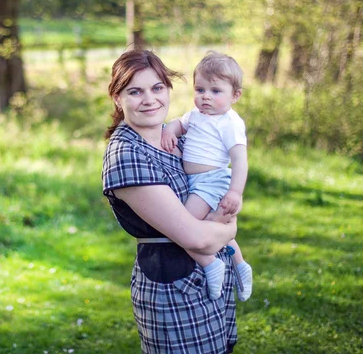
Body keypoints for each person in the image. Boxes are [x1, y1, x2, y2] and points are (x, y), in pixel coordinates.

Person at [102, 49, 239, 353]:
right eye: (135, 91)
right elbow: (195, 235)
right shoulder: (126, 155)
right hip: (173, 291)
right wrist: (228, 232)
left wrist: (219, 225)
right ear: (117, 97)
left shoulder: (178, 137)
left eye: (157, 88)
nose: (149, 99)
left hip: (211, 278)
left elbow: (220, 188)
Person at [160, 51, 253, 303]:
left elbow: (240, 161)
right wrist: (169, 129)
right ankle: (240, 263)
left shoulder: (229, 122)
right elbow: (179, 124)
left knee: (182, 228)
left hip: (212, 182)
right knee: (217, 229)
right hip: (197, 183)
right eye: (200, 89)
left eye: (215, 91)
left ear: (235, 95)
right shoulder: (196, 115)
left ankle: (210, 263)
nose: (205, 97)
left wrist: (235, 192)